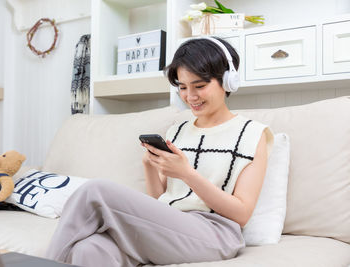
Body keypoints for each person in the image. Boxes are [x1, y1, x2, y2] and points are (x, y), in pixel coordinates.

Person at [45, 37, 274, 267]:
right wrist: (150, 166)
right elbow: (160, 201)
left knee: (96, 191)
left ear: (228, 80)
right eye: (182, 87)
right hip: (168, 229)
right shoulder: (178, 132)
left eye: (199, 86)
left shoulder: (252, 134)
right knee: (90, 249)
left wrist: (187, 174)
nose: (190, 96)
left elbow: (242, 213)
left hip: (215, 234)